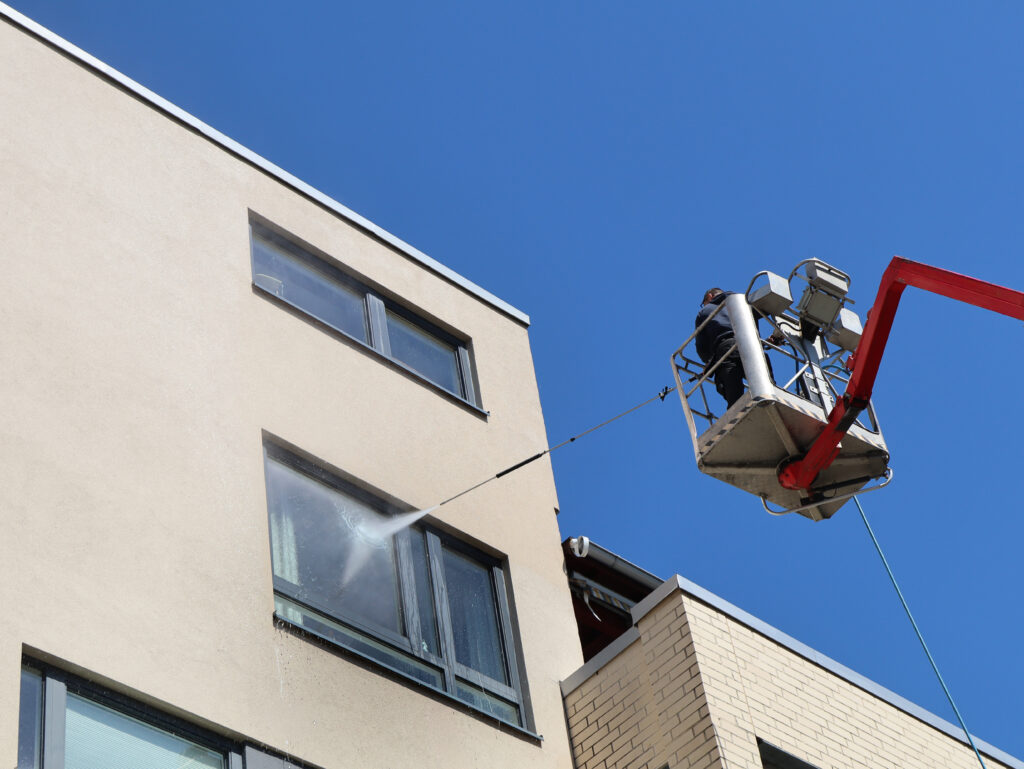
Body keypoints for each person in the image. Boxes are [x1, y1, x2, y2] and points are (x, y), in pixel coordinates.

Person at [695, 288, 745, 407]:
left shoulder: (706, 310)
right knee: (764, 381)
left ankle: (738, 411)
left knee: (733, 395)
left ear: (710, 296)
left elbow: (701, 345)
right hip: (750, 343)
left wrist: (708, 362)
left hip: (726, 348)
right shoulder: (741, 302)